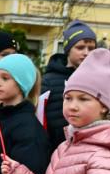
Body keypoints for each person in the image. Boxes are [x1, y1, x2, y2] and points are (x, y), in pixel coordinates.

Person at [42, 19, 98, 148]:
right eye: (80, 47)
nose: (86, 52)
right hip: (54, 150)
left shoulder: (96, 81)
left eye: (91, 48)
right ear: (68, 50)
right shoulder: (49, 82)